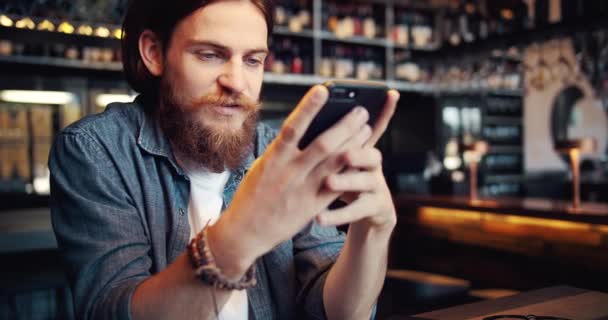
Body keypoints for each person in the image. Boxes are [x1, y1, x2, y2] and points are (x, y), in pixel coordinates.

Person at [49, 0, 400, 319]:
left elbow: (338, 313)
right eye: (210, 55)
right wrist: (241, 234)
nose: (237, 82)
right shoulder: (96, 150)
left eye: (252, 60)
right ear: (154, 53)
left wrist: (372, 232)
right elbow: (112, 311)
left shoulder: (275, 150)